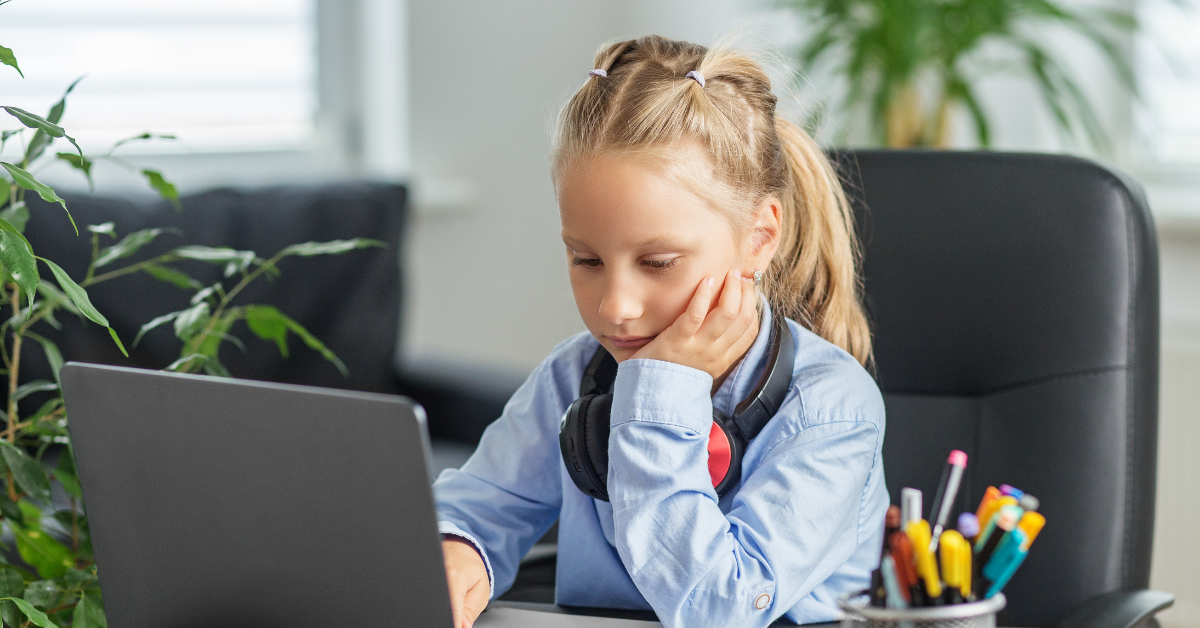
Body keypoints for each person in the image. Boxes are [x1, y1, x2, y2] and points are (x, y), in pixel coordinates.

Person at [433, 35, 888, 628]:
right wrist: (458, 550)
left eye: (658, 264)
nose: (617, 307)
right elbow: (485, 503)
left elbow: (717, 608)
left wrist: (659, 393)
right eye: (586, 260)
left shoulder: (831, 411)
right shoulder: (575, 374)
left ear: (759, 237)